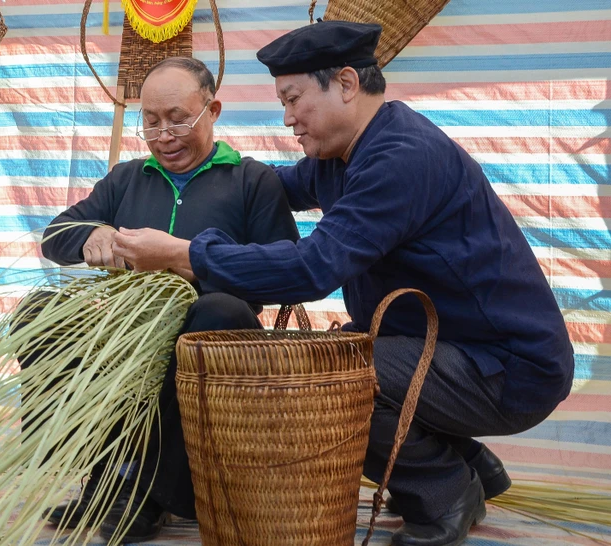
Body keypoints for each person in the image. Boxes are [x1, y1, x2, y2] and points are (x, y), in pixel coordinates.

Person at [111, 21, 575, 546]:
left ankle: (445, 490)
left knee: (328, 376)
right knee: (339, 351)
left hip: (509, 366)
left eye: (293, 99)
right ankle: (469, 461)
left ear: (347, 83)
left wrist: (184, 253)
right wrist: (196, 171)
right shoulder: (339, 156)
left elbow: (313, 267)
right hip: (442, 348)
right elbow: (262, 188)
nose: (287, 118)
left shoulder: (401, 156)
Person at [38, 56, 300, 542]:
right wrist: (91, 233)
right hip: (126, 334)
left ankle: (153, 489)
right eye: (151, 122)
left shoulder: (251, 180)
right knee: (43, 311)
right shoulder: (127, 178)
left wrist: (188, 263)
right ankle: (104, 476)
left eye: (179, 118)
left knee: (218, 310)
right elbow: (55, 235)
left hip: (211, 345)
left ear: (213, 110)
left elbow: (285, 273)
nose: (164, 136)